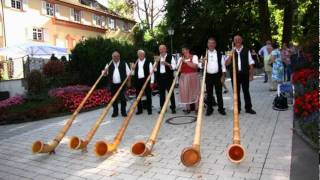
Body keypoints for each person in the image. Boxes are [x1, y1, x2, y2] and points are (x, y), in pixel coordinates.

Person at [225, 35, 256, 114]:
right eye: (236, 39)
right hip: (234, 75)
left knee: (246, 91)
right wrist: (230, 55)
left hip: (245, 74)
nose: (237, 40)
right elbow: (227, 63)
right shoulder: (229, 50)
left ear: (242, 40)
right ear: (233, 41)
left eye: (239, 39)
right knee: (236, 92)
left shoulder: (247, 50)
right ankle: (237, 108)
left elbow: (251, 63)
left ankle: (248, 108)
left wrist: (251, 75)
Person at [102, 51, 131, 117]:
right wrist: (104, 72)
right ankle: (115, 112)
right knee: (114, 99)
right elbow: (105, 74)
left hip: (122, 84)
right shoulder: (109, 64)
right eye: (114, 56)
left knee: (123, 99)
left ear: (119, 57)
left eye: (117, 56)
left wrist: (129, 82)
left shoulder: (124, 63)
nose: (116, 57)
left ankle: (123, 111)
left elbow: (129, 74)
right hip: (112, 85)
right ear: (112, 57)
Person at [203, 37, 226, 116]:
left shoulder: (219, 54)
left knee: (219, 93)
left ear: (215, 44)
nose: (211, 44)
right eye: (209, 43)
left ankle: (221, 109)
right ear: (207, 44)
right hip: (208, 76)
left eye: (213, 43)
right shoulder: (204, 54)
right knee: (209, 94)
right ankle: (209, 109)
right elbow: (200, 66)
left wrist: (223, 76)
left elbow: (223, 66)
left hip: (217, 76)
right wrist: (202, 62)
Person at [177, 45, 200, 114]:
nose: (183, 51)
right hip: (184, 76)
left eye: (184, 50)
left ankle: (196, 108)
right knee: (185, 92)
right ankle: (188, 108)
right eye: (182, 50)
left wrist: (186, 62)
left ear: (188, 50)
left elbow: (195, 66)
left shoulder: (194, 57)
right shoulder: (181, 58)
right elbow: (178, 69)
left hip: (193, 76)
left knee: (195, 92)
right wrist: (181, 63)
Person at [131, 50, 154, 115]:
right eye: (139, 54)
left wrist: (152, 81)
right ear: (137, 55)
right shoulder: (135, 63)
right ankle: (139, 110)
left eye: (142, 54)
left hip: (146, 80)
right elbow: (132, 74)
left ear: (144, 55)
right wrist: (132, 69)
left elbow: (151, 73)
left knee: (148, 95)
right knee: (138, 96)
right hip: (138, 80)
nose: (140, 55)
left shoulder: (148, 62)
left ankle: (149, 110)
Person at [156, 45, 177, 114]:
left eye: (162, 49)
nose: (161, 51)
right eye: (160, 49)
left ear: (165, 49)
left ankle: (173, 108)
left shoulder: (170, 57)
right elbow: (155, 69)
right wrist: (156, 64)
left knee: (170, 93)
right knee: (161, 94)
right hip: (160, 77)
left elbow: (174, 67)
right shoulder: (157, 57)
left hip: (168, 77)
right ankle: (163, 108)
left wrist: (167, 64)